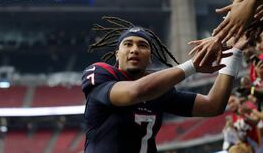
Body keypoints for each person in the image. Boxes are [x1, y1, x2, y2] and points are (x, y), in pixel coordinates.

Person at [81, 17, 247, 153]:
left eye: (142, 45)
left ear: (150, 57)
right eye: (128, 44)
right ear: (117, 54)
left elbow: (213, 105)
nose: (134, 49)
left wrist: (233, 54)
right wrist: (193, 66)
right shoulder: (100, 72)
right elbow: (136, 92)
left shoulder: (160, 89)